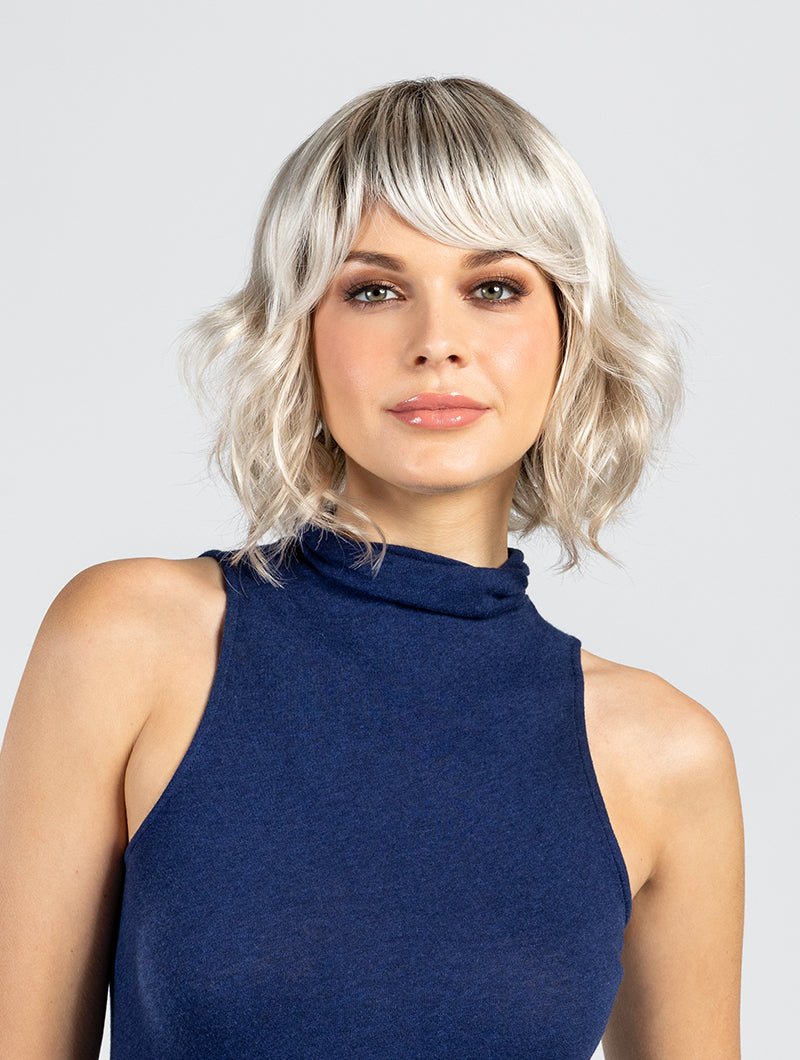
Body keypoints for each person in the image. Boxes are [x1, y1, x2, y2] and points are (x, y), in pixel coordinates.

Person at [0, 76, 744, 1058]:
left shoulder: (666, 757)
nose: (436, 344)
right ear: (301, 333)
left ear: (570, 334)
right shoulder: (130, 640)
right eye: (374, 290)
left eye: (493, 287)